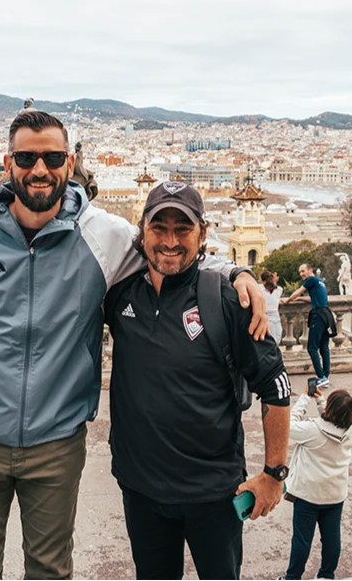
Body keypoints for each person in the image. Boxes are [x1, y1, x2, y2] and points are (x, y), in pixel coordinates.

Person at [0, 108, 267, 579]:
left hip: (56, 440)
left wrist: (237, 273)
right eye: (26, 157)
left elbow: (170, 251)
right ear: (8, 163)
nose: (39, 169)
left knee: (50, 569)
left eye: (52, 157)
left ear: (68, 162)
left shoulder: (102, 234)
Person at [104, 182, 292, 579]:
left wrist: (274, 474)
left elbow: (275, 384)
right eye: (160, 228)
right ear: (142, 232)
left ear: (202, 234)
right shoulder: (120, 296)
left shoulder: (224, 300)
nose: (170, 241)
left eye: (182, 229)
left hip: (213, 494)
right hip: (141, 488)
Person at [282, 388, 352, 580]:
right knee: (332, 538)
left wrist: (305, 398)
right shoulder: (349, 429)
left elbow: (286, 425)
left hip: (309, 494)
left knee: (302, 540)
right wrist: (320, 400)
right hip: (335, 494)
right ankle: (326, 575)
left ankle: (293, 577)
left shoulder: (312, 430)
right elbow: (332, 420)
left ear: (330, 409)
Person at [282, 263, 336, 388]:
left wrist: (288, 300)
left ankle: (321, 377)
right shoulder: (319, 281)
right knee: (324, 347)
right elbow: (314, 299)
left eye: (303, 271)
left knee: (312, 347)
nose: (301, 274)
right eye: (300, 272)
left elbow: (298, 292)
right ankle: (325, 377)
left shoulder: (311, 280)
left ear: (310, 270)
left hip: (318, 316)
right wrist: (300, 299)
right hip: (326, 314)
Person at [261, 270, 284, 344]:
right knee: (277, 338)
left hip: (265, 315)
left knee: (268, 340)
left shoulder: (260, 289)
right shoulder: (279, 290)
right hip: (276, 316)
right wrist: (274, 281)